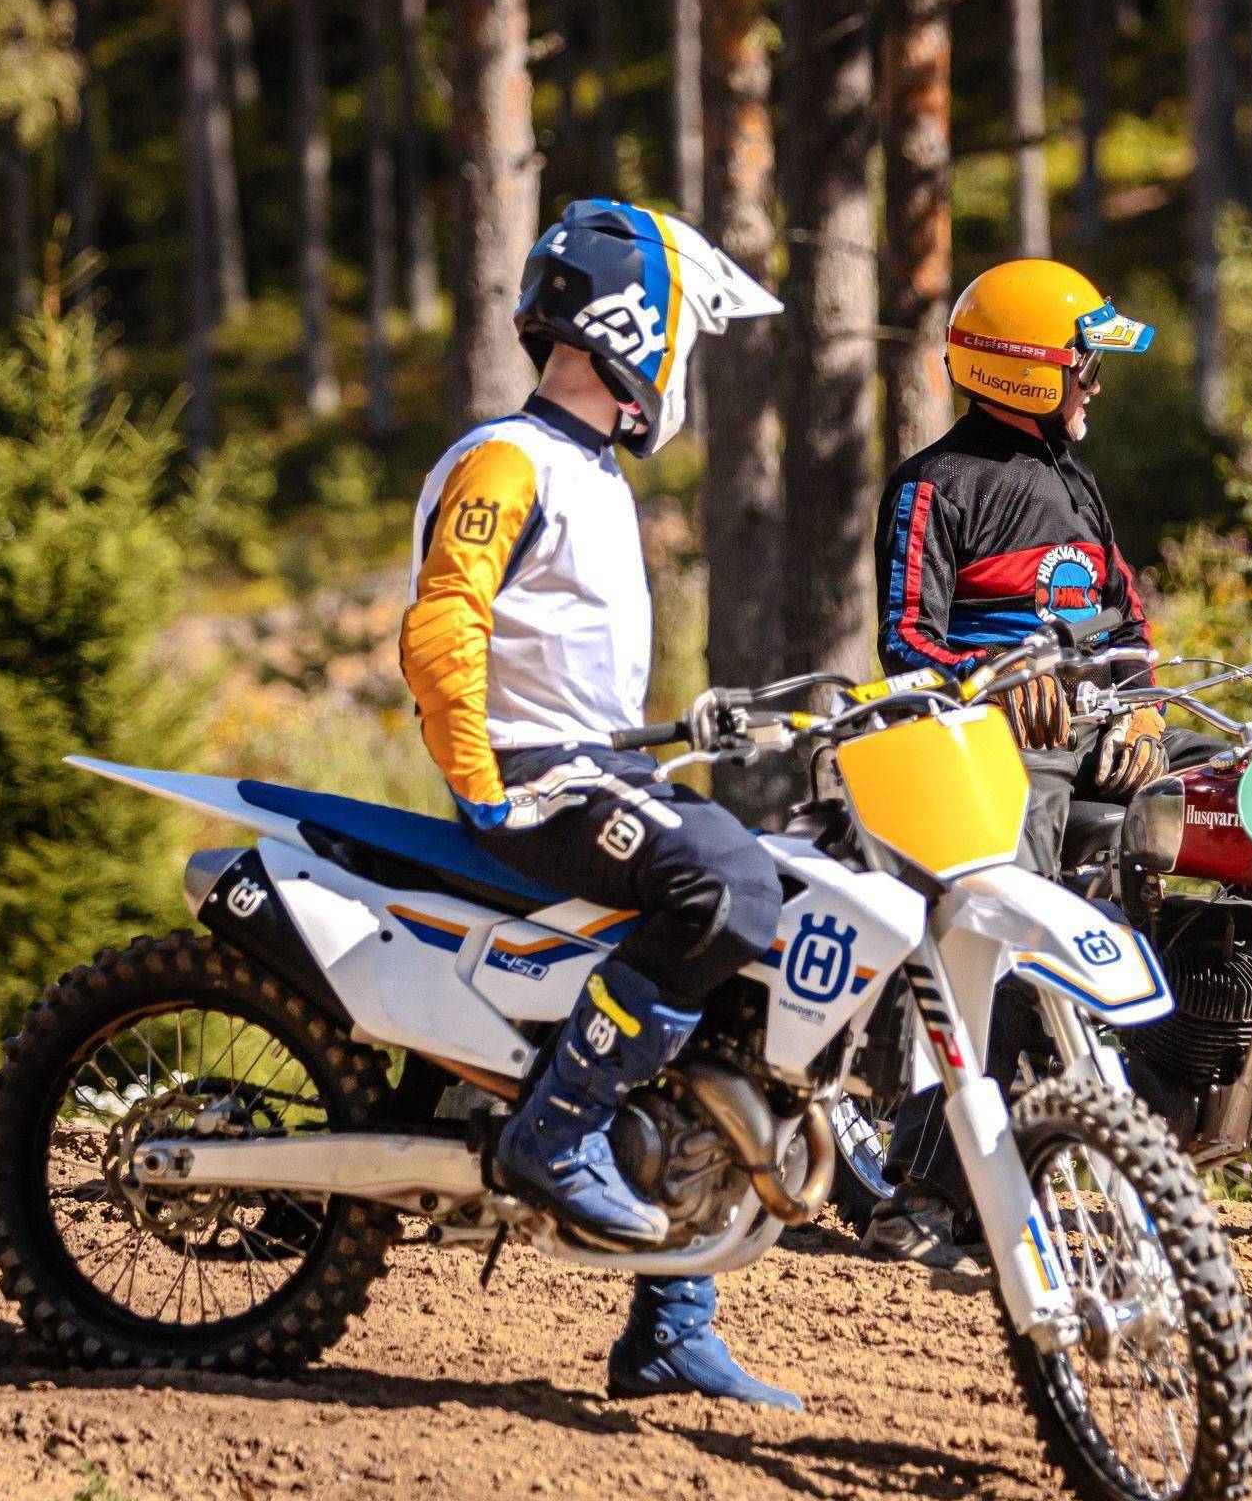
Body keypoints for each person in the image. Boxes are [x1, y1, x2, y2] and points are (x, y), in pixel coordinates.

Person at [399, 198, 800, 1406]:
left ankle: (674, 1312)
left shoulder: (586, 470)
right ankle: (558, 1127)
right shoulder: (509, 458)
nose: (686, 370)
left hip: (592, 768)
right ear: (639, 327)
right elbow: (443, 621)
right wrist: (485, 787)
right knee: (727, 885)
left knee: (781, 893)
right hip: (534, 778)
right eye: (686, 342)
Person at [856, 257, 1172, 1265]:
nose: (1095, 385)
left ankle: (1221, 1066)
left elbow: (1127, 620)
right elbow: (906, 641)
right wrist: (992, 680)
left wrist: (1145, 707)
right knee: (1006, 926)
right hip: (1002, 744)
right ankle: (921, 1192)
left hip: (1103, 726)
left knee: (1246, 798)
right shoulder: (934, 484)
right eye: (1083, 366)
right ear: (1027, 368)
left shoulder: (1073, 477)